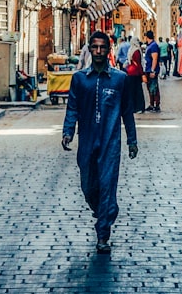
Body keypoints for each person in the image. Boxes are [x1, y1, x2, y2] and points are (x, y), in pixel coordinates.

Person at [61, 31, 139, 254]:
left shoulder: (119, 79)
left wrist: (132, 140)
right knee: (88, 186)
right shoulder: (79, 79)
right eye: (94, 47)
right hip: (86, 141)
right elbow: (72, 108)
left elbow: (127, 112)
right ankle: (107, 210)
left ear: (108, 50)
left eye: (102, 47)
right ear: (89, 49)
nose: (98, 51)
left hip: (110, 143)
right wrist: (68, 132)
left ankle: (103, 234)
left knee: (107, 187)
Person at [124, 37, 146, 113]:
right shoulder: (137, 51)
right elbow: (138, 64)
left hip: (130, 72)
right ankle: (139, 107)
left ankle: (132, 107)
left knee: (131, 91)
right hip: (135, 72)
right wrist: (142, 74)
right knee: (138, 91)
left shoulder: (130, 50)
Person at [143, 30, 161, 112]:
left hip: (151, 70)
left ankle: (156, 104)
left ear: (147, 37)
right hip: (148, 69)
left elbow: (155, 58)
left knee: (154, 87)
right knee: (150, 87)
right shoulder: (150, 45)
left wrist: (153, 70)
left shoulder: (153, 46)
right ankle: (151, 104)